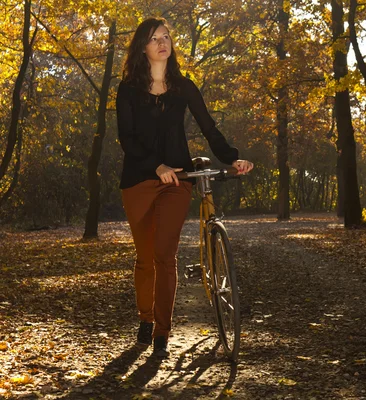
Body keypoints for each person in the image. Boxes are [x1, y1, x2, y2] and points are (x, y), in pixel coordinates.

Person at [117, 17, 253, 358]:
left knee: (165, 255)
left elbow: (210, 128)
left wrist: (232, 159)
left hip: (178, 181)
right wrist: (155, 166)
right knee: (145, 259)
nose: (163, 43)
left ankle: (163, 331)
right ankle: (145, 319)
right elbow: (127, 138)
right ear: (142, 47)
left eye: (166, 37)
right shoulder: (128, 89)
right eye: (154, 38)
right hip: (138, 181)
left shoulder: (184, 87)